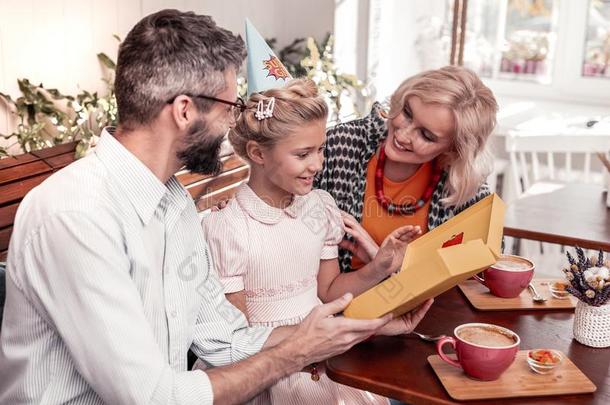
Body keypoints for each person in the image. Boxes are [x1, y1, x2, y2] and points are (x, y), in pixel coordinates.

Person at [0, 10, 430, 405]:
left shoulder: (174, 204)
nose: (235, 124)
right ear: (185, 110)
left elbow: (226, 336)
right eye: (231, 107)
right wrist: (295, 353)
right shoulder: (76, 216)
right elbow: (152, 399)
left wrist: (357, 328)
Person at [202, 76, 432, 404]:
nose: (318, 164)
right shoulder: (228, 227)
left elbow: (328, 291)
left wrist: (379, 267)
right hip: (271, 370)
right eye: (303, 153)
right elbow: (240, 340)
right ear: (257, 153)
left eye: (321, 149)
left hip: (326, 361)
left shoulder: (319, 207)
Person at [314, 66, 498, 272]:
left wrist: (386, 264)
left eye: (426, 136)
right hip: (329, 298)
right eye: (407, 113)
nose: (403, 135)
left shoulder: (462, 181)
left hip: (422, 302)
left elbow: (487, 259)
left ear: (453, 150)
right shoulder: (342, 144)